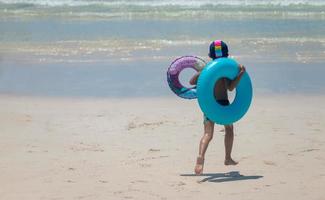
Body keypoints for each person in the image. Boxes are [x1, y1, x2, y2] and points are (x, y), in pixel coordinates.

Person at [189, 40, 246, 175]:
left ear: (210, 55)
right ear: (226, 54)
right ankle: (227, 158)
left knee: (208, 134)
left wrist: (202, 71)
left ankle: (201, 156)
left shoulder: (207, 70)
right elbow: (231, 88)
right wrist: (241, 74)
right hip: (223, 104)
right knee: (229, 129)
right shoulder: (224, 71)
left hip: (209, 106)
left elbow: (191, 82)